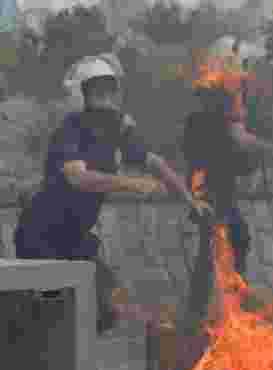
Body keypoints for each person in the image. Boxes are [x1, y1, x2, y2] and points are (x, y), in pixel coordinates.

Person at [14, 55, 210, 334]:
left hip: (75, 240)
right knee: (48, 321)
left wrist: (191, 201)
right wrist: (129, 183)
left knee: (108, 310)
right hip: (41, 239)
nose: (106, 99)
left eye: (109, 92)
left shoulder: (116, 129)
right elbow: (78, 178)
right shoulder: (69, 132)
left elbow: (155, 164)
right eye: (97, 92)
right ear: (79, 96)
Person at [183, 35, 273, 280]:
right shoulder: (226, 93)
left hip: (204, 178)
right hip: (213, 179)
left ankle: (212, 307)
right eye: (243, 64)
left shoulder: (207, 91)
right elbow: (237, 137)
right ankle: (231, 300)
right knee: (235, 238)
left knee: (214, 244)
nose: (246, 72)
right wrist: (271, 150)